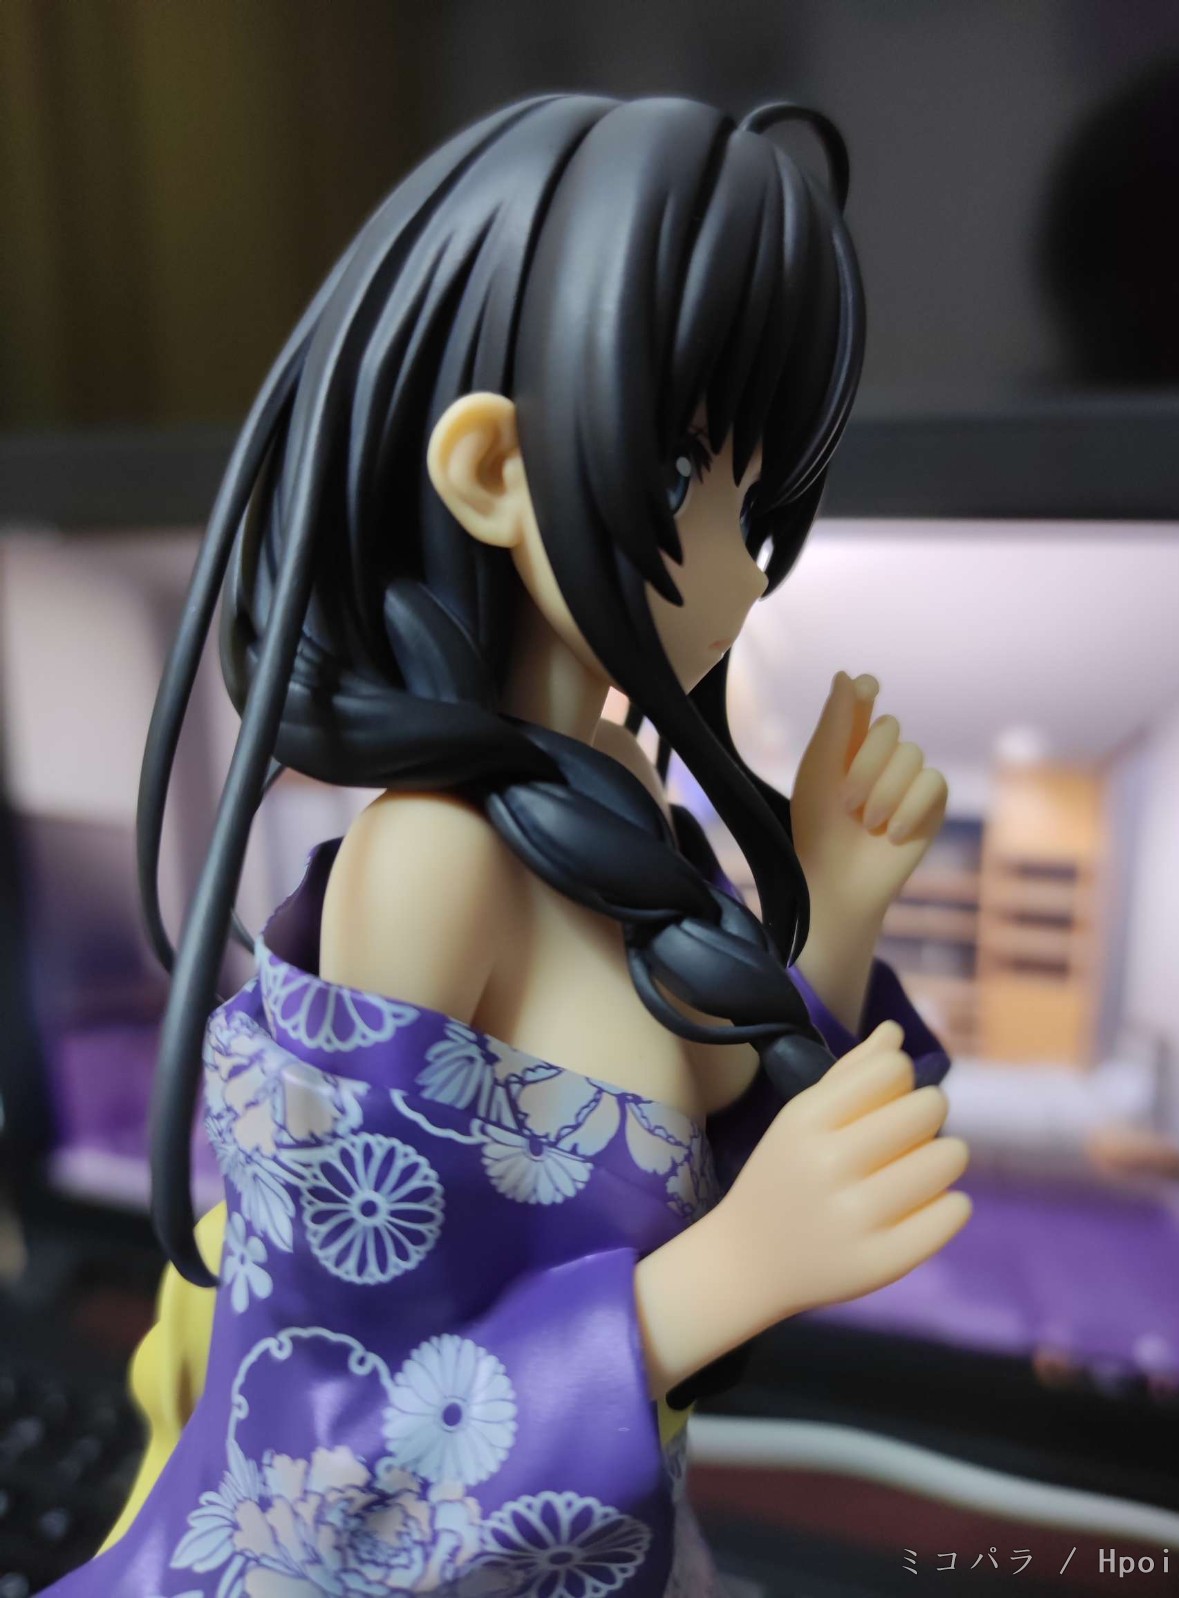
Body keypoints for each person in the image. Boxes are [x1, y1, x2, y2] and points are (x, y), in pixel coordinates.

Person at [48, 94, 969, 1596]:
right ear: (490, 470)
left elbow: (719, 1145)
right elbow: (321, 1465)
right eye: (689, 480)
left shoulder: (621, 797)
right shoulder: (433, 866)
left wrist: (840, 915)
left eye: (757, 500)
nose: (743, 567)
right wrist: (719, 1279)